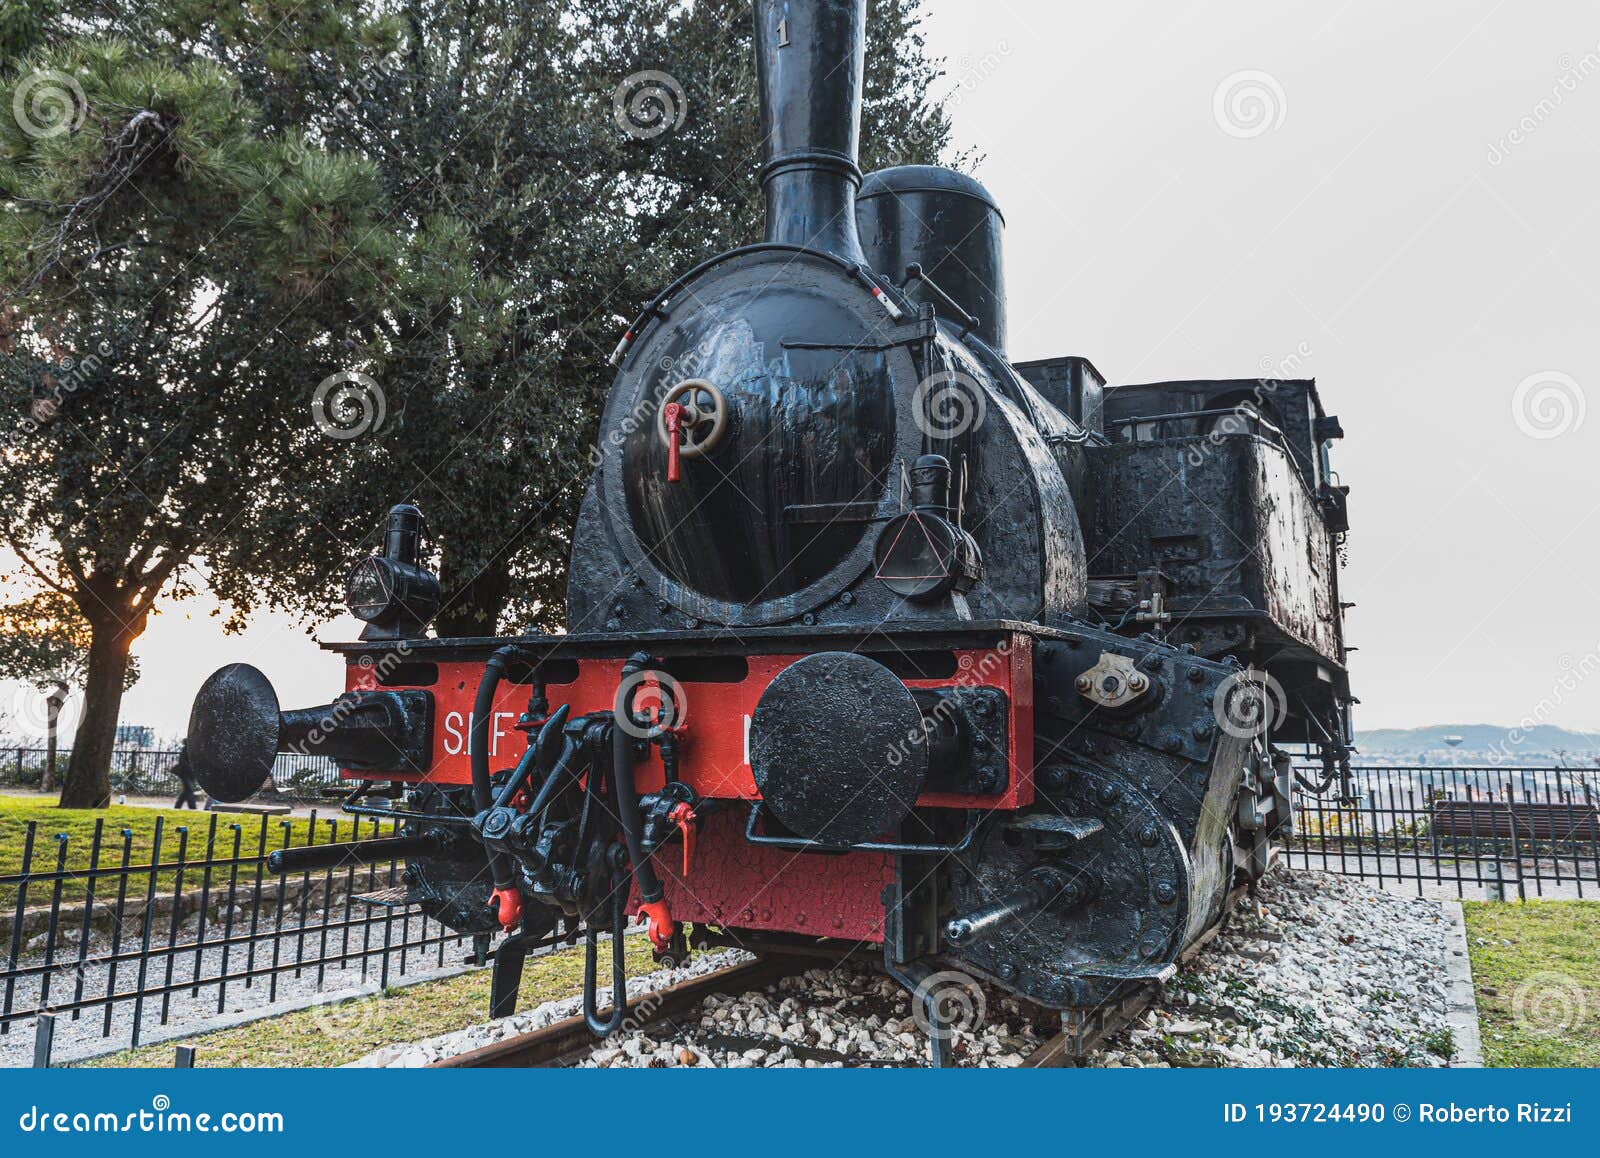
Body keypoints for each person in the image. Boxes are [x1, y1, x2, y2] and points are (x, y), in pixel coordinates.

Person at [172, 741, 199, 809]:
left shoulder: (187, 748)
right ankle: (192, 807)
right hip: (186, 773)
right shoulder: (187, 749)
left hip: (188, 773)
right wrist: (191, 770)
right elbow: (183, 761)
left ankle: (178, 806)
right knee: (188, 790)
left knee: (186, 791)